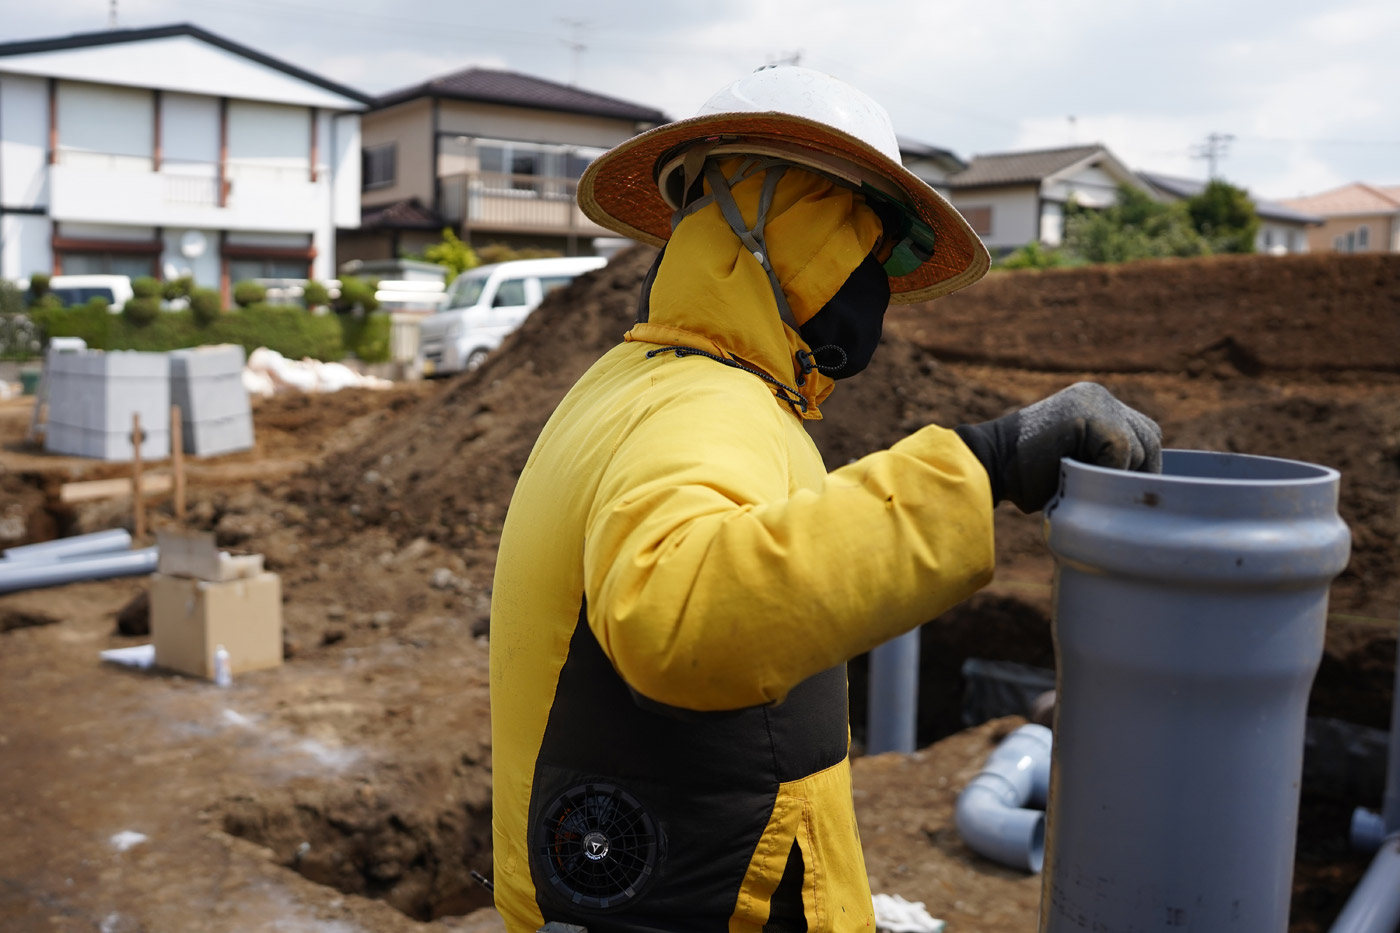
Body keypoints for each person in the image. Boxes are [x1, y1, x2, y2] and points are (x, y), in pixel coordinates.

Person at [489, 65, 1161, 933]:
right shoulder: (704, 405)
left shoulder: (639, 379)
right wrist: (984, 466)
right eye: (870, 242)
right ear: (776, 220)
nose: (880, 281)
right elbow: (675, 613)